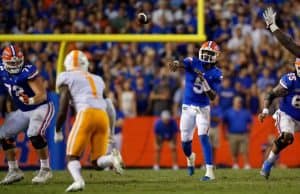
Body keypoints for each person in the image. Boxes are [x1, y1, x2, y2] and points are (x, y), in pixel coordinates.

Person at [55, 50, 123, 192]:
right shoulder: (97, 79)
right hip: (102, 116)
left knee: (71, 157)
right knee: (97, 162)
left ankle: (79, 182)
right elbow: (110, 107)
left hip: (86, 114)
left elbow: (63, 107)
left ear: (67, 64)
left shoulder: (65, 77)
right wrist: (111, 132)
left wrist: (57, 129)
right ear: (85, 64)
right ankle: (111, 159)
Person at [169, 41, 223, 181]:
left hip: (203, 109)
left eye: (209, 53)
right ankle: (190, 157)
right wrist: (175, 63)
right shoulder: (193, 62)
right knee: (185, 143)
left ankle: (209, 172)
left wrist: (204, 81)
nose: (205, 55)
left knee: (203, 137)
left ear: (215, 56)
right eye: (204, 52)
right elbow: (181, 63)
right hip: (187, 108)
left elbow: (212, 97)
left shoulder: (217, 73)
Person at [0, 45, 54, 184]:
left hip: (40, 107)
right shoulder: (2, 70)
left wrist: (29, 100)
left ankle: (46, 169)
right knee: (4, 134)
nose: (15, 65)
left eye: (17, 61)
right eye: (12, 63)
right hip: (23, 111)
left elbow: (42, 95)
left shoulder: (27, 71)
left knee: (34, 133)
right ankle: (14, 171)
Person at [258, 58, 300, 179]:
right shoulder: (291, 80)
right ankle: (269, 162)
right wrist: (265, 110)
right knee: (286, 137)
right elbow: (271, 94)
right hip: (288, 115)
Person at [223, 96, 252, 170]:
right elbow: (224, 123)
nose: (238, 103)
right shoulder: (228, 112)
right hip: (232, 134)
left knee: (245, 150)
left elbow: (250, 122)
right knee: (234, 151)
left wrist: (249, 131)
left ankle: (246, 164)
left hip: (243, 133)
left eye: (239, 102)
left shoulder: (245, 112)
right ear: (234, 102)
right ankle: (235, 164)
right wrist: (225, 133)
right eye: (237, 101)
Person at [209, 97, 222, 163]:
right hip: (207, 128)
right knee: (207, 147)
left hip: (215, 128)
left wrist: (209, 117)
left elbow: (219, 119)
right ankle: (205, 163)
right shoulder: (205, 107)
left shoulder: (218, 108)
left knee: (214, 147)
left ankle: (212, 163)